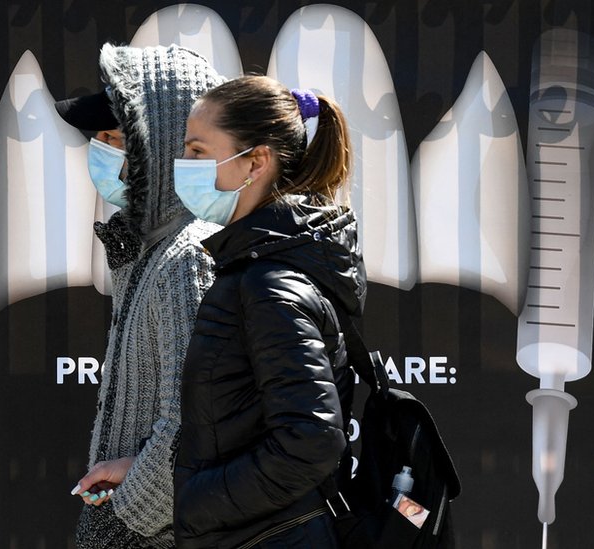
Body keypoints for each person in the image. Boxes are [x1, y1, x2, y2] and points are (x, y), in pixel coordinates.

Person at [171, 75, 367, 548]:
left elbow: (311, 441)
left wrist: (197, 505)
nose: (184, 165)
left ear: (255, 161)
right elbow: (238, 421)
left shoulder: (269, 283)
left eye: (198, 151)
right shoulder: (257, 266)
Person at [56, 43, 224, 548]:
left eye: (114, 137)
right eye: (98, 138)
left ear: (162, 144)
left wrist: (123, 520)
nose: (101, 150)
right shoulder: (148, 248)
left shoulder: (186, 258)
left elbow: (191, 422)